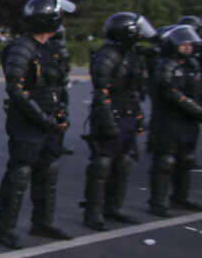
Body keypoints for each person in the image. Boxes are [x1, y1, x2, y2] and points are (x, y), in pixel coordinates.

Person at [0, 0, 77, 249]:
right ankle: (6, 228)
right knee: (20, 172)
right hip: (28, 123)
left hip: (48, 122)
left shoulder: (50, 49)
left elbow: (59, 85)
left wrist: (61, 114)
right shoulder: (21, 47)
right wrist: (44, 119)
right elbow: (16, 90)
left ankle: (43, 221)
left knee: (48, 170)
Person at [81, 13, 155, 230]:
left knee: (122, 163)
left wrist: (139, 116)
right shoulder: (107, 55)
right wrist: (108, 121)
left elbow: (133, 90)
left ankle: (114, 207)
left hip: (128, 111)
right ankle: (93, 212)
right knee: (102, 163)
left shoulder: (131, 55)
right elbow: (101, 92)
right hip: (109, 113)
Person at [147, 24, 202, 216]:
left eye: (189, 42)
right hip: (169, 120)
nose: (188, 46)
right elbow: (169, 91)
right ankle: (158, 201)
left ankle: (181, 197)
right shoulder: (166, 64)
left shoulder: (192, 64)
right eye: (183, 43)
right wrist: (195, 109)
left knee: (185, 160)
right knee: (165, 161)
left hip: (189, 121)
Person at [48, 26, 73, 155]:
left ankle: (55, 143)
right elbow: (65, 67)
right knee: (60, 113)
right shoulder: (58, 48)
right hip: (57, 87)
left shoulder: (44, 46)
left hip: (53, 86)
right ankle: (56, 144)